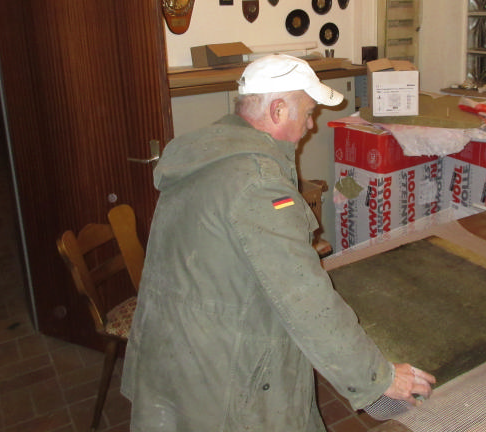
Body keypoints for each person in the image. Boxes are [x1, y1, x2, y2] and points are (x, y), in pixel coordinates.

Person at [121, 53, 435, 431]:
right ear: (278, 110)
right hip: (218, 374)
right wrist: (378, 379)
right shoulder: (256, 182)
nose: (311, 124)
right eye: (308, 112)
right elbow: (305, 298)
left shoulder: (208, 154)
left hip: (173, 352)